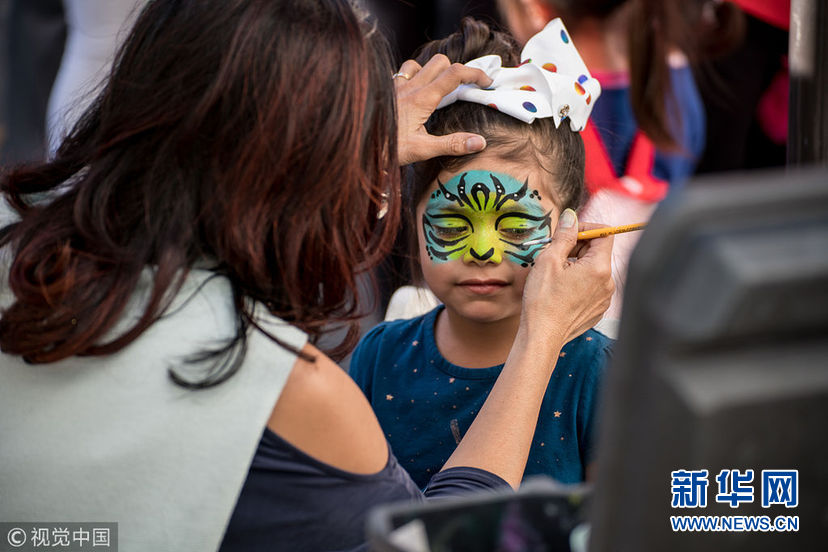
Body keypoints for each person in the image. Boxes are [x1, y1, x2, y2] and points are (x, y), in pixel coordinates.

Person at [0, 1, 614, 551]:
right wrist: (540, 339)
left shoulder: (22, 248)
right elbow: (434, 542)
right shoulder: (301, 379)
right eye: (350, 162)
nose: (369, 192)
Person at [349, 18, 613, 490]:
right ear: (412, 218)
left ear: (570, 228)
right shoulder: (377, 356)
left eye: (515, 225)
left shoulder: (598, 373)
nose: (483, 251)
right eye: (452, 224)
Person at [497, 0, 706, 331]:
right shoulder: (675, 77)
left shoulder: (522, 98)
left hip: (560, 322)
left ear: (534, 8)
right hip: (655, 310)